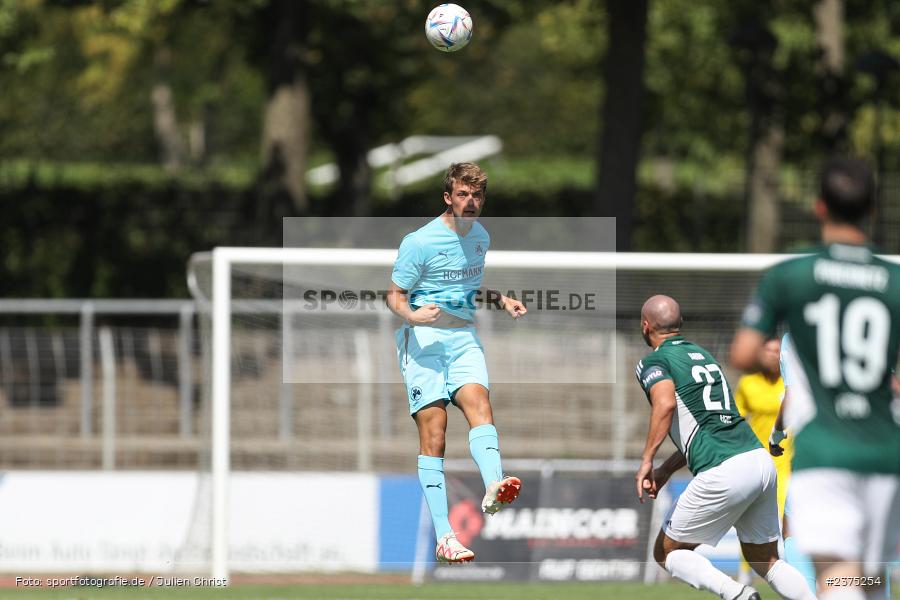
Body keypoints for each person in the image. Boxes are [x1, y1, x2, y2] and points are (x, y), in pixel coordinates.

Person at [731, 156, 900, 600]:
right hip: (884, 451)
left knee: (835, 579)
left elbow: (743, 353)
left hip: (824, 448)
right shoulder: (894, 281)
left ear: (819, 207)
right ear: (873, 211)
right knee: (868, 577)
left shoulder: (792, 276)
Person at [386, 162, 526, 563]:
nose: (470, 202)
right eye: (462, 194)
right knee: (436, 436)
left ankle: (495, 484)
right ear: (448, 197)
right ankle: (445, 536)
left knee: (480, 405)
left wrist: (501, 299)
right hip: (423, 344)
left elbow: (467, 286)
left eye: (477, 195)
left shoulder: (481, 236)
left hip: (462, 339)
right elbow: (394, 294)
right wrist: (412, 315)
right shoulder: (420, 241)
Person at [634, 295, 816, 600]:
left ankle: (737, 594)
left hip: (723, 468)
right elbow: (715, 421)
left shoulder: (653, 361)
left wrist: (647, 461)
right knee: (767, 560)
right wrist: (666, 468)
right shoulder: (704, 356)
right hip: (758, 461)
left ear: (645, 326)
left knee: (667, 553)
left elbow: (664, 404)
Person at [732, 337, 793, 586]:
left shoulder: (791, 384)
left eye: (777, 351)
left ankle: (791, 573)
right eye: (767, 350)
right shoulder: (747, 383)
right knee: (751, 520)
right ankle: (746, 575)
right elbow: (736, 420)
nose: (772, 355)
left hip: (788, 461)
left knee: (785, 522)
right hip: (757, 462)